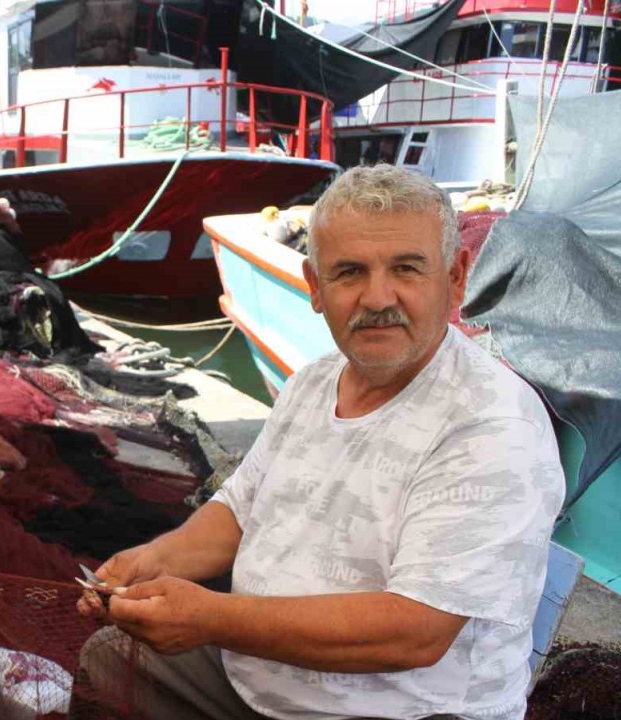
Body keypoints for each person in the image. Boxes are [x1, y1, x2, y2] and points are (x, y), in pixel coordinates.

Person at [76, 164, 564, 719]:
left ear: (455, 278)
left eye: (406, 268)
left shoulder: (493, 423)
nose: (379, 297)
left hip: (405, 710)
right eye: (350, 272)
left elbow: (415, 633)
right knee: (111, 660)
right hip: (253, 673)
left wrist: (208, 618)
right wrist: (154, 561)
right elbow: (239, 512)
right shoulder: (312, 381)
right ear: (315, 286)